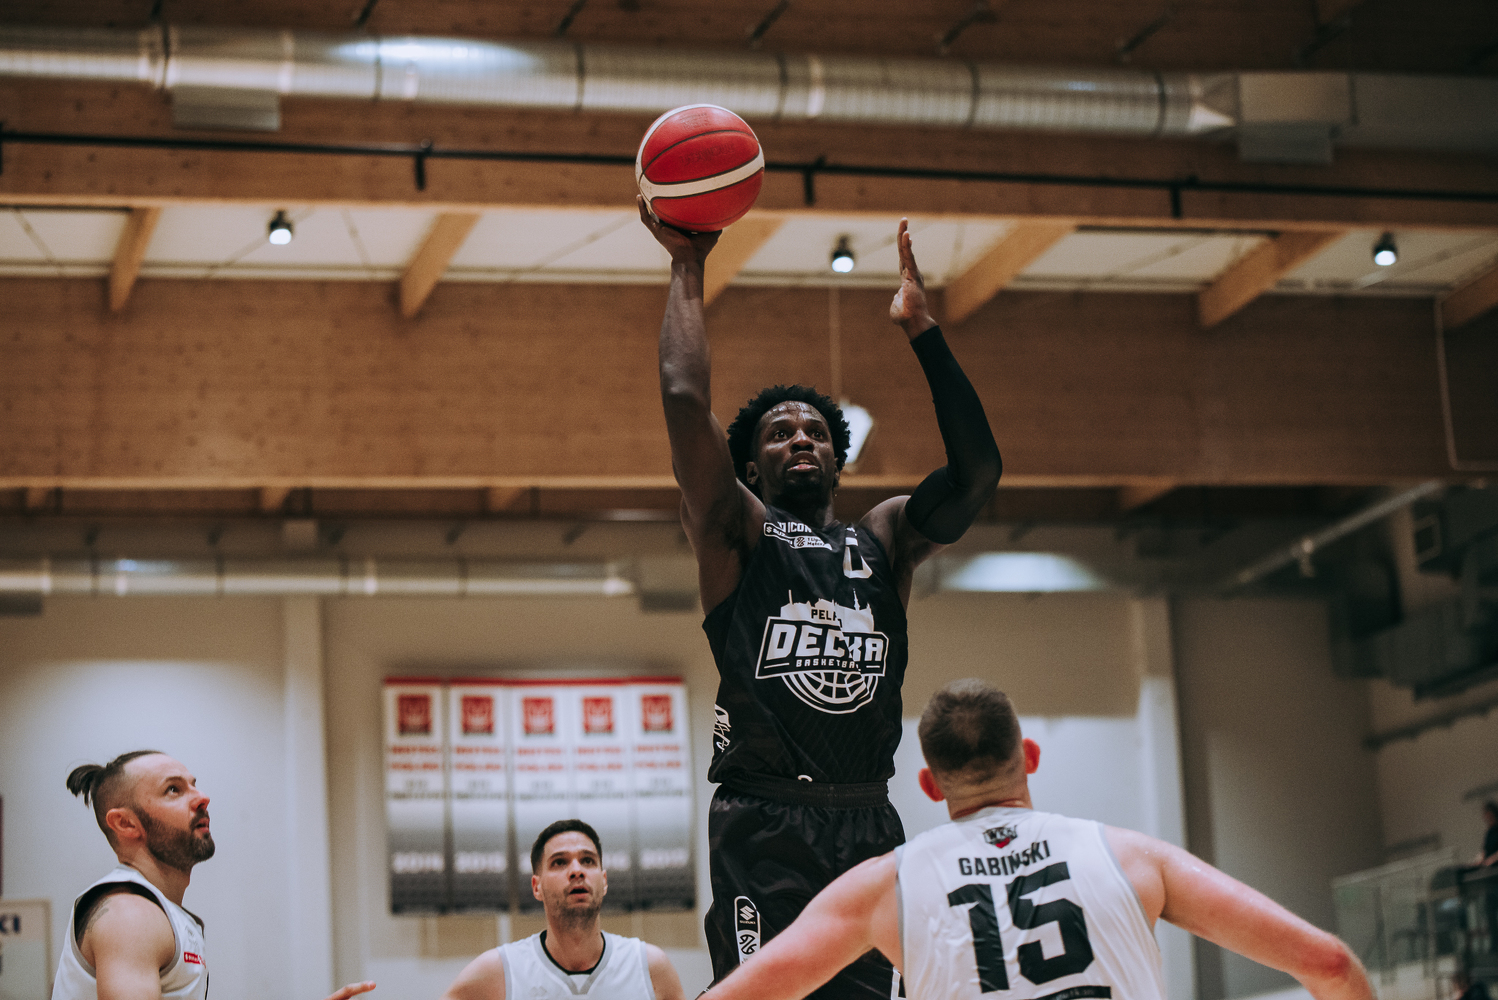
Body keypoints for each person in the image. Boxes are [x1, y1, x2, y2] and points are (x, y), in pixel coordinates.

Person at [640, 201, 1001, 997]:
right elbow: (683, 399)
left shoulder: (885, 537)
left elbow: (978, 474)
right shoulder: (737, 531)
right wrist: (688, 264)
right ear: (750, 467)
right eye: (779, 433)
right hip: (764, 824)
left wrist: (924, 331)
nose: (801, 437)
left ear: (838, 461)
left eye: (816, 433)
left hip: (867, 820)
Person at [701, 679, 1377, 1000]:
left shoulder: (884, 886)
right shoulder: (1133, 856)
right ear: (1029, 756)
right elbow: (1328, 963)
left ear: (930, 786)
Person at [54, 749, 377, 1000]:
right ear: (126, 823)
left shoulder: (157, 911)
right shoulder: (130, 916)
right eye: (173, 790)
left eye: (193, 784)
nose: (201, 797)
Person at [439, 819, 686, 1000]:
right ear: (536, 887)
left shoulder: (650, 967)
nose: (577, 870)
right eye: (559, 862)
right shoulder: (499, 971)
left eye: (587, 860)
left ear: (604, 881)